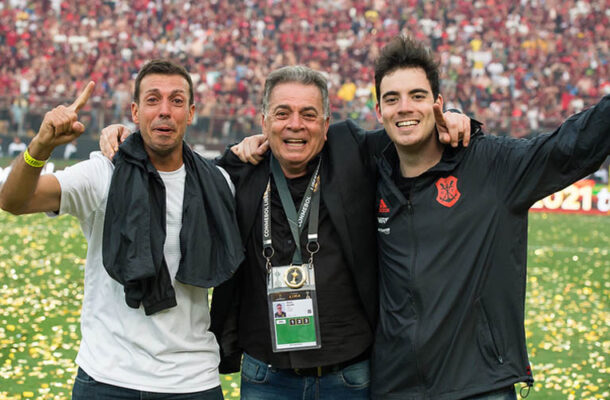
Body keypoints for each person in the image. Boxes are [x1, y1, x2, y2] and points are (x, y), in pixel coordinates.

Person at [99, 65, 472, 399]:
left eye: (309, 115)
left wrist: (450, 118)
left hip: (349, 376)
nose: (296, 124)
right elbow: (172, 160)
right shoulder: (237, 171)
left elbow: (409, 131)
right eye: (283, 114)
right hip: (266, 376)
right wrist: (125, 137)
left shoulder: (354, 152)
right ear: (263, 122)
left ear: (326, 126)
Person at [370, 35, 610, 399]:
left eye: (417, 96)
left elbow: (571, 147)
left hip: (478, 386)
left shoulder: (492, 166)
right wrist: (250, 150)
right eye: (392, 99)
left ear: (438, 104)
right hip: (394, 387)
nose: (404, 107)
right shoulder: (371, 174)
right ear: (378, 112)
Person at [0, 59, 244, 400]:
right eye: (152, 99)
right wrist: (41, 145)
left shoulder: (218, 183)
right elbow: (13, 201)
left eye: (176, 101)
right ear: (134, 110)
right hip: (106, 378)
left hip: (192, 381)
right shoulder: (103, 174)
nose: (164, 111)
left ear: (190, 113)